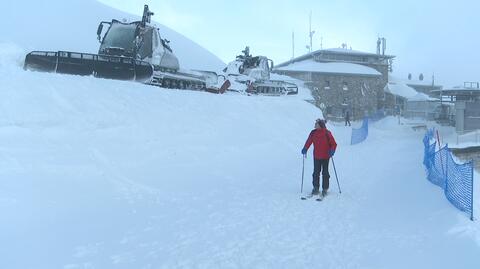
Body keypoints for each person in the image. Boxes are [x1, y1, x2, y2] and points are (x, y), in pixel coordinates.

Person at [301, 119, 337, 197]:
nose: (315, 124)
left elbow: (333, 144)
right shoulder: (313, 133)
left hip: (326, 156)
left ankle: (325, 189)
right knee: (316, 172)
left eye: (316, 123)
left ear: (320, 125)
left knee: (325, 173)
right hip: (316, 156)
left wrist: (332, 150)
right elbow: (309, 141)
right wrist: (305, 148)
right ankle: (316, 188)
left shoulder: (327, 133)